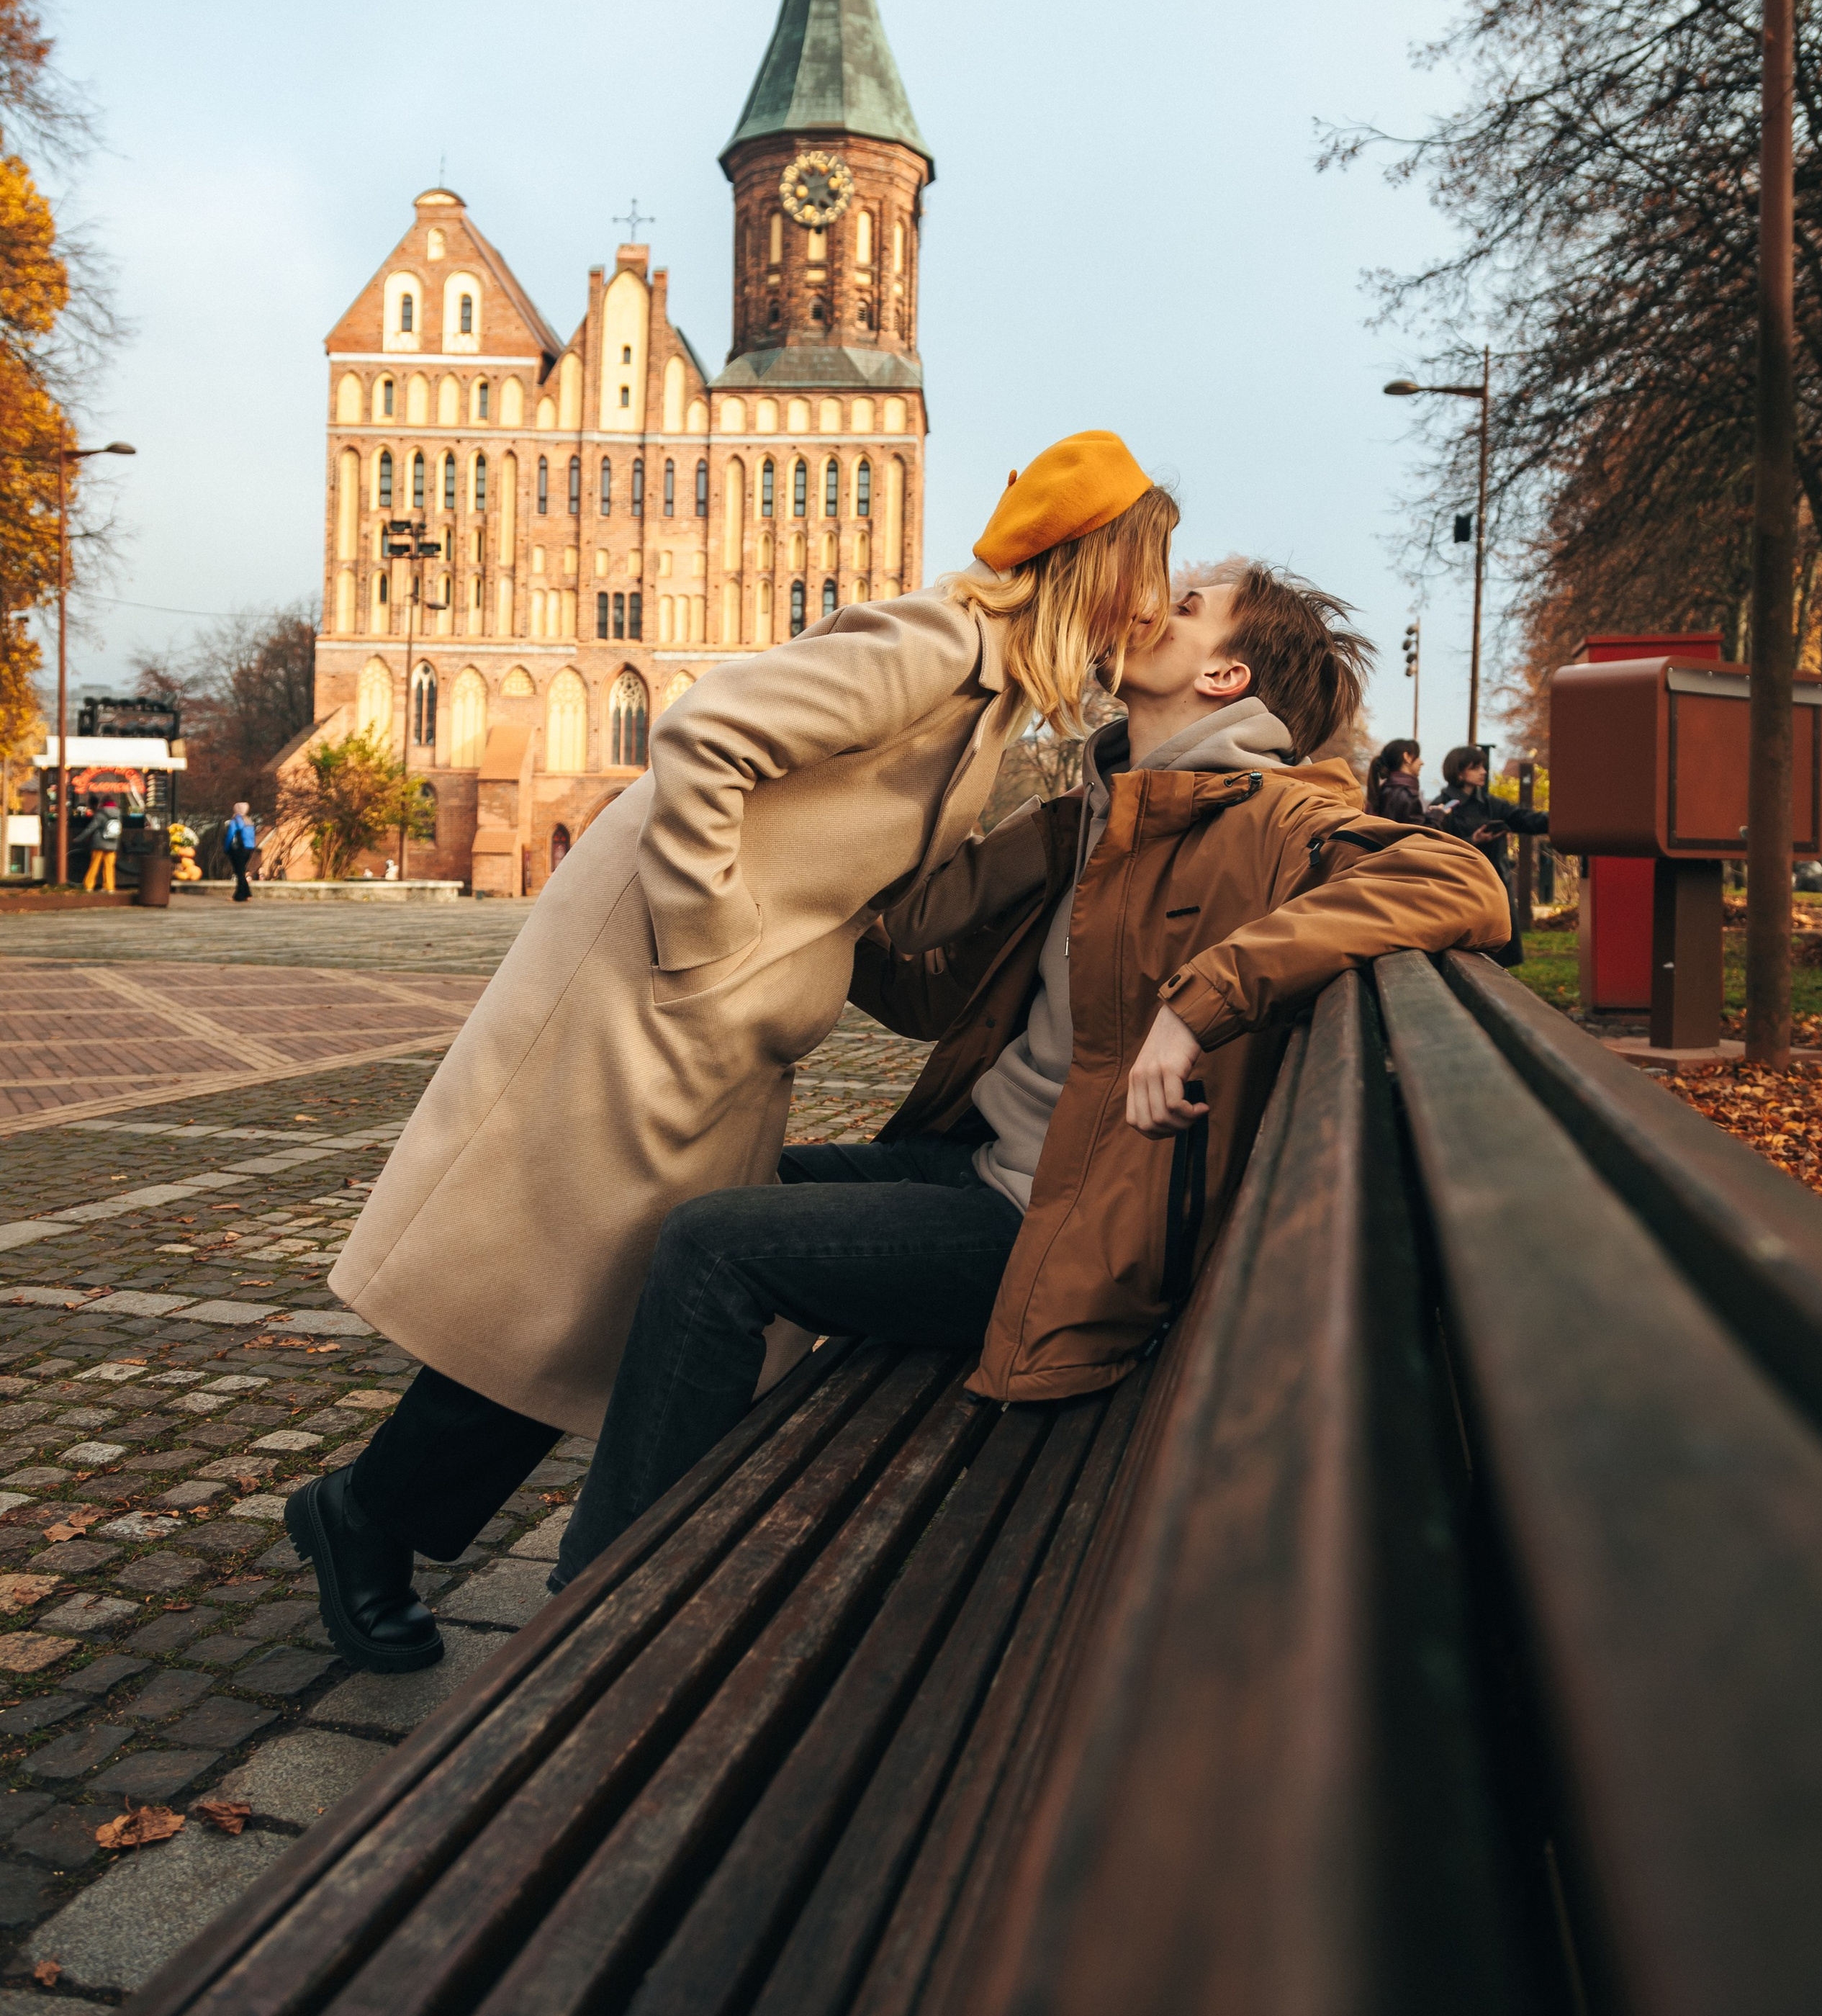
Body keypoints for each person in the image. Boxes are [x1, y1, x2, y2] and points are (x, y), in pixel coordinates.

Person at [287, 431, 1180, 1671]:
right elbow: (706, 733)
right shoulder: (938, 647)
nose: (1157, 603)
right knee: (567, 1276)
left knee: (591, 1285)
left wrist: (1064, 828)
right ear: (1100, 565)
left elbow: (903, 904)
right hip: (660, 987)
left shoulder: (992, 701)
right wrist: (707, 940)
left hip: (721, 1014)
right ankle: (375, 1520)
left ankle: (381, 1516)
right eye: (1155, 569)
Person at [549, 564, 1511, 1572]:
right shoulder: (1089, 817)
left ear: (1227, 677)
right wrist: (804, 896)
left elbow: (1456, 876)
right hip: (991, 1168)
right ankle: (625, 1514)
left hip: (1054, 1228)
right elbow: (929, 993)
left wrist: (1202, 1002)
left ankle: (593, 1596)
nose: (1148, 607)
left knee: (713, 1246)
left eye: (1183, 608)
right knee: (694, 1187)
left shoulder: (1267, 816)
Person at [1427, 746, 1548, 967]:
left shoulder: (1493, 804)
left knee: (1500, 952)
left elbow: (1527, 819)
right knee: (1469, 955)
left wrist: (1567, 820)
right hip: (1464, 887)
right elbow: (1436, 850)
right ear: (1459, 772)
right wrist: (1473, 841)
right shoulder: (1441, 807)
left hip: (1496, 881)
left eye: (1483, 766)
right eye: (1476, 768)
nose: (1483, 772)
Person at [1366, 737, 1425, 822]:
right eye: (1417, 757)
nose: (1422, 762)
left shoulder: (1384, 790)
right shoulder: (1406, 795)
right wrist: (1437, 816)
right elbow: (1420, 833)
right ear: (1407, 757)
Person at [81, 798, 122, 894]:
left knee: (95, 865)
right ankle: (109, 887)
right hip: (112, 843)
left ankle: (89, 886)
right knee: (109, 866)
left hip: (99, 843)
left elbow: (90, 828)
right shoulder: (118, 815)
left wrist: (80, 838)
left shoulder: (100, 814)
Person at [224, 801, 257, 901]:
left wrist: (226, 848)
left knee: (239, 872)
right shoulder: (249, 821)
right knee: (241, 871)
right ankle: (247, 894)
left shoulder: (236, 821)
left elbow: (230, 835)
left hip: (238, 849)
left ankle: (239, 896)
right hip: (249, 848)